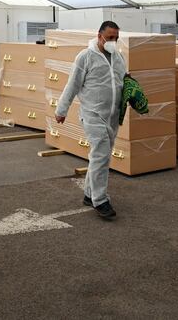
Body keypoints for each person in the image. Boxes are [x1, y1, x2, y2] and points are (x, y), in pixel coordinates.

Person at [54, 21, 125, 220]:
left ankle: (88, 193)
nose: (113, 41)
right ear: (99, 36)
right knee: (101, 155)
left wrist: (132, 91)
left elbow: (122, 80)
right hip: (93, 114)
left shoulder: (119, 57)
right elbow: (72, 85)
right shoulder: (85, 57)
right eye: (110, 37)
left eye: (116, 38)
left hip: (112, 115)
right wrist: (61, 109)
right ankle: (100, 199)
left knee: (101, 156)